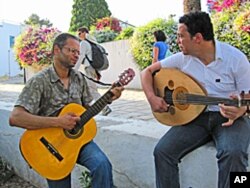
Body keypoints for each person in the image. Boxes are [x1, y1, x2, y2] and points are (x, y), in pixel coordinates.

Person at [141, 11, 250, 188]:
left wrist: (242, 109)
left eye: (181, 36)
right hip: (195, 118)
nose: (177, 41)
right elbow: (146, 72)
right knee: (163, 151)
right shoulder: (183, 59)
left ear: (197, 38)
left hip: (230, 119)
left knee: (234, 152)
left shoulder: (236, 59)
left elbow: (248, 97)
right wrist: (152, 98)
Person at [9, 33, 124, 188]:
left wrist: (108, 98)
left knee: (102, 165)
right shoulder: (39, 81)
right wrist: (58, 122)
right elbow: (16, 118)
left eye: (78, 52)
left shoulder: (79, 78)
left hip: (77, 142)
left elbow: (87, 110)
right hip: (49, 148)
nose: (76, 55)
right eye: (72, 51)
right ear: (57, 50)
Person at [75, 27, 112, 116]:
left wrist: (74, 69)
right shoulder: (92, 42)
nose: (78, 36)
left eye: (79, 33)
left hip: (89, 69)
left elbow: (81, 57)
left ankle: (105, 108)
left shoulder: (84, 43)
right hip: (93, 69)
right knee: (92, 89)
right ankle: (103, 108)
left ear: (84, 33)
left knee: (91, 90)